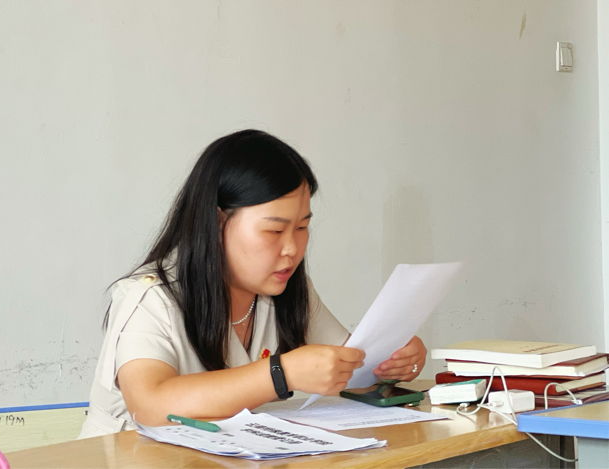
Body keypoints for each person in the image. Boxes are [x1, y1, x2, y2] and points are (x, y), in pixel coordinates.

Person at [79, 130, 427, 437]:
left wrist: (391, 364)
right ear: (217, 223)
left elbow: (351, 372)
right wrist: (281, 374)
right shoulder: (151, 297)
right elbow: (151, 406)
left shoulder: (290, 290)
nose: (292, 249)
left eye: (302, 227)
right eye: (274, 230)